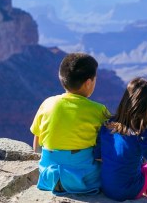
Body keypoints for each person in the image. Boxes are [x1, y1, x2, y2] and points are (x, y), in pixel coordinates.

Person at [30, 53, 110, 195]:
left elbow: (37, 142)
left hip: (48, 177)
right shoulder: (99, 110)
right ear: (88, 83)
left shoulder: (47, 103)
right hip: (83, 180)